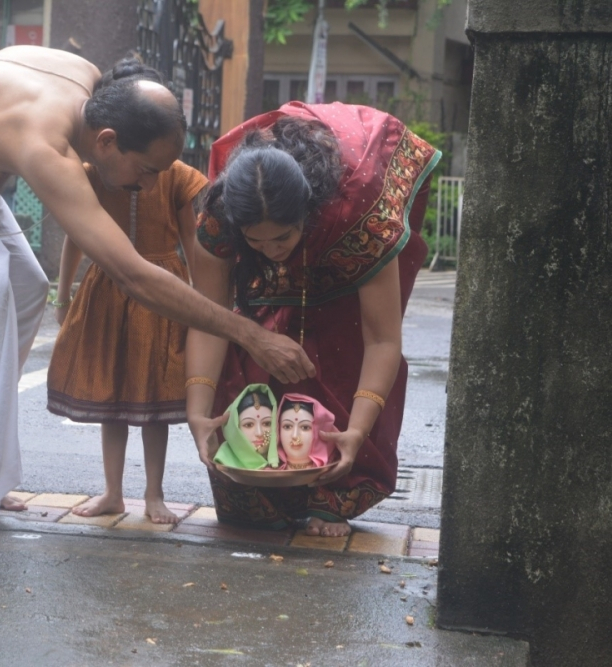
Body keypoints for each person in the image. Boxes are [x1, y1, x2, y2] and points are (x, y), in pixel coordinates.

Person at [0, 45, 312, 523]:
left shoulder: (89, 80)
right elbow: (132, 273)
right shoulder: (46, 145)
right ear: (106, 141)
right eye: (146, 172)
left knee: (23, 286)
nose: (149, 188)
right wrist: (251, 334)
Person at [184, 102, 440, 536]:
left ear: (307, 213)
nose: (272, 251)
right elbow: (210, 320)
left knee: (340, 339)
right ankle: (263, 486)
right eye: (256, 241)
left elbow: (382, 340)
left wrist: (357, 432)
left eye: (283, 237)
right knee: (254, 339)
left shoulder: (359, 215)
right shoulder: (218, 218)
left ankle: (332, 493)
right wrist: (198, 411)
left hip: (357, 179)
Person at [47, 158, 206, 523]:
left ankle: (155, 494)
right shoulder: (97, 171)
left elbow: (189, 237)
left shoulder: (177, 174)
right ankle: (113, 494)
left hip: (161, 288)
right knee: (110, 390)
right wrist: (62, 297)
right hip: (108, 284)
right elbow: (77, 233)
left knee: (156, 391)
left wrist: (203, 301)